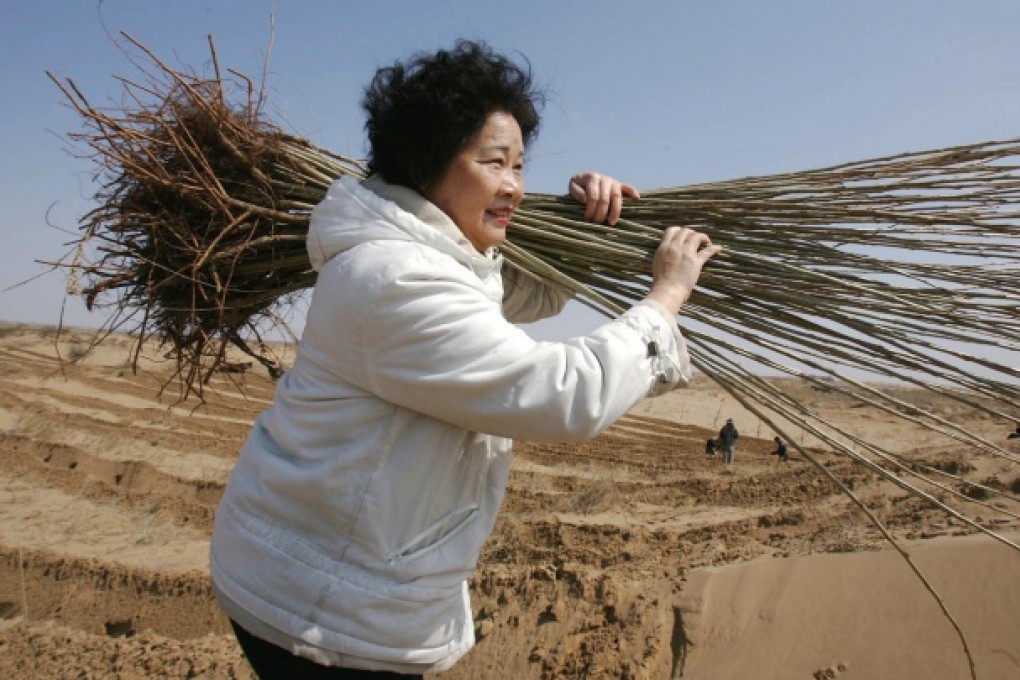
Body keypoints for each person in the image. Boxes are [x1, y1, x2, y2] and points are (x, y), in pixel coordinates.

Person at [209, 40, 721, 678]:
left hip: (322, 575)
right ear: (427, 163)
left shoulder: (423, 255)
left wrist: (593, 231)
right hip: (319, 606)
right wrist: (666, 295)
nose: (514, 186)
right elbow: (561, 395)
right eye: (493, 162)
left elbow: (514, 295)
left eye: (520, 165)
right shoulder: (394, 277)